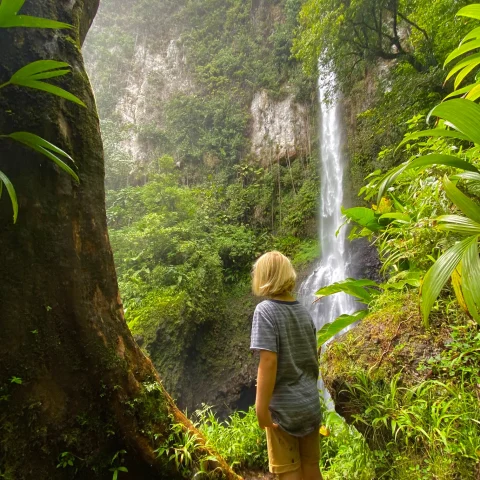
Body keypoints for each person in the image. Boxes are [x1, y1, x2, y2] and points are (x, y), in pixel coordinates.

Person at [250, 251, 322, 480]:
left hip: (284, 411)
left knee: (289, 472)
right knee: (311, 468)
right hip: (310, 405)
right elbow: (312, 357)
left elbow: (268, 362)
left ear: (264, 278)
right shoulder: (304, 312)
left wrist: (261, 409)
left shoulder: (265, 311)